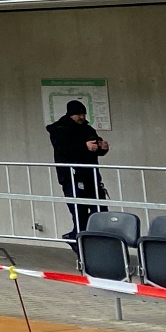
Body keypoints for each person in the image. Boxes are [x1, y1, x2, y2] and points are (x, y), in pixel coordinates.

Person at [45, 99, 110, 240]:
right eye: (78, 114)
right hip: (71, 176)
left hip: (91, 175)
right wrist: (84, 147)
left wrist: (102, 148)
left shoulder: (87, 129)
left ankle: (96, 238)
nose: (82, 117)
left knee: (99, 209)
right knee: (79, 211)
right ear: (70, 114)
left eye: (84, 114)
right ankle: (79, 240)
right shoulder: (59, 129)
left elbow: (94, 147)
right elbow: (62, 149)